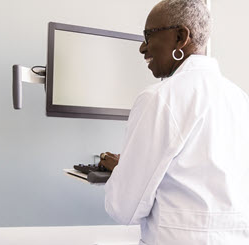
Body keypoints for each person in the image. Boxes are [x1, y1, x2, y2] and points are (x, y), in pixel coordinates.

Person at [99, 0, 249, 244]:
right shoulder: (241, 99)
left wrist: (122, 172)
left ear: (180, 37)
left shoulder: (159, 98)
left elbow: (123, 208)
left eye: (148, 36)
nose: (142, 48)